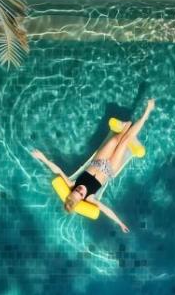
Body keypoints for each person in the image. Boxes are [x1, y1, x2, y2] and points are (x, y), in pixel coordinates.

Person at [31, 99, 156, 234]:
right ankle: (147, 112)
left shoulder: (71, 183)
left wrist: (43, 158)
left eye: (76, 190)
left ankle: (126, 127)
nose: (80, 190)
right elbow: (106, 210)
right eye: (80, 194)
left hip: (98, 161)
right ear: (82, 199)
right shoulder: (90, 198)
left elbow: (57, 170)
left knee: (116, 139)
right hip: (109, 169)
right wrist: (120, 223)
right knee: (124, 141)